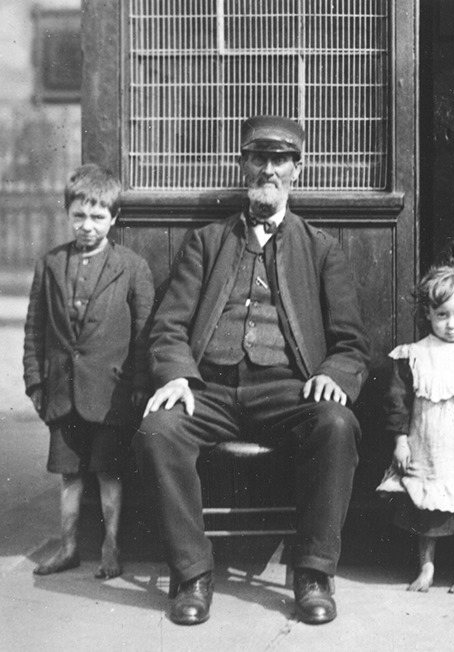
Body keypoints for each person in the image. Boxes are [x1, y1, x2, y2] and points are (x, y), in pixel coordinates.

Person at [133, 116, 371, 626]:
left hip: (287, 390)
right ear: (243, 164)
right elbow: (169, 324)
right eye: (258, 158)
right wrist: (176, 374)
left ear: (297, 170)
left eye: (279, 160)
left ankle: (312, 573)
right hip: (210, 391)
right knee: (158, 430)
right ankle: (193, 573)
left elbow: (352, 342)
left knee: (337, 425)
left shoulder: (322, 248)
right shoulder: (206, 241)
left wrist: (334, 373)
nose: (268, 170)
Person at [23, 163, 154, 579]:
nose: (87, 226)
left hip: (111, 394)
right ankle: (68, 548)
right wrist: (35, 383)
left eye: (98, 217)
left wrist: (138, 385)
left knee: (109, 472)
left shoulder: (131, 267)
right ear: (68, 214)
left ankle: (112, 547)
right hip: (61, 392)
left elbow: (144, 334)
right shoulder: (49, 265)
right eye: (79, 215)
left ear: (114, 219)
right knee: (69, 476)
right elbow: (35, 329)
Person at [377, 265, 454, 594]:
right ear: (428, 314)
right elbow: (398, 402)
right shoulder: (415, 356)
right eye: (442, 314)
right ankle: (427, 568)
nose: (451, 324)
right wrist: (400, 442)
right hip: (431, 445)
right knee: (428, 509)